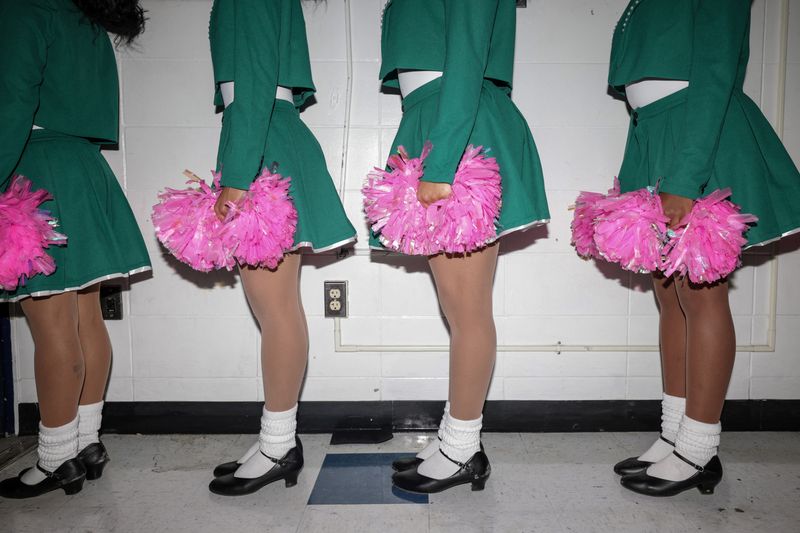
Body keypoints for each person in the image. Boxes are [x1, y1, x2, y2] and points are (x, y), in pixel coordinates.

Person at [607, 0, 800, 497]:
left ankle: (699, 447)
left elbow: (716, 68)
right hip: (657, 134)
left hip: (696, 138)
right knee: (667, 294)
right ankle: (674, 433)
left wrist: (687, 177)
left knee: (700, 294)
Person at [376, 0, 550, 494]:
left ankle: (463, 448)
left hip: (460, 124)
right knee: (458, 307)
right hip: (440, 119)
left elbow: (469, 54)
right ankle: (458, 438)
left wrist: (442, 162)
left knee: (468, 309)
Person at [0, 0, 151, 498]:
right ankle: (86, 442)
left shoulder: (26, 9)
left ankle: (55, 457)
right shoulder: (82, 16)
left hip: (38, 167)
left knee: (51, 327)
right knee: (85, 316)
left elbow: (11, 103)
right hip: (83, 167)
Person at [205, 0, 356, 497]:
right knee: (278, 307)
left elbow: (253, 76)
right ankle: (276, 440)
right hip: (262, 135)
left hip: (260, 139)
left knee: (275, 310)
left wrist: (238, 174)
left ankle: (278, 446)